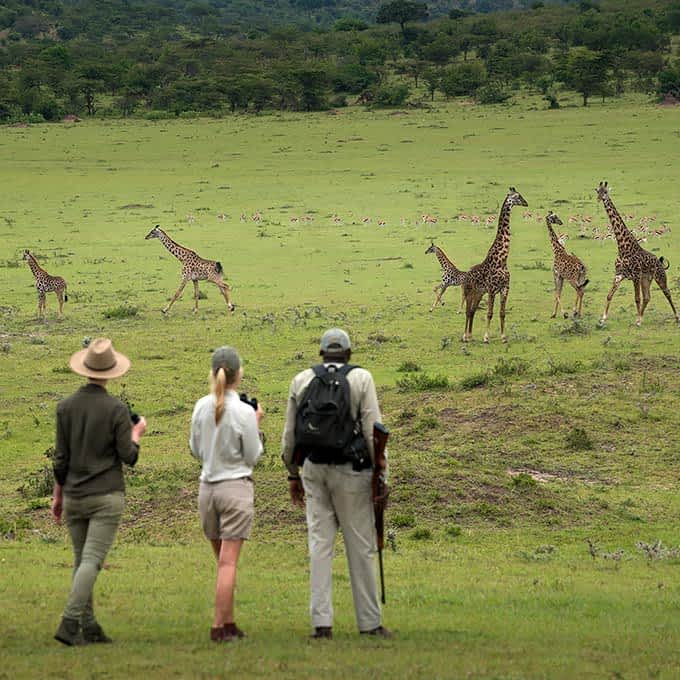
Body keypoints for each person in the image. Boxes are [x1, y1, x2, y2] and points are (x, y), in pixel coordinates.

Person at [281, 328, 391, 639]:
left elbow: (289, 436)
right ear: (348, 353)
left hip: (314, 469)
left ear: (321, 354)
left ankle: (321, 624)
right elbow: (374, 429)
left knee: (319, 545)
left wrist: (292, 473)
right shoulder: (361, 379)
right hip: (352, 472)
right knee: (360, 546)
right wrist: (381, 475)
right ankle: (369, 623)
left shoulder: (302, 380)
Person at [52, 337, 147, 646]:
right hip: (105, 496)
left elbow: (61, 459)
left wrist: (57, 495)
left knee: (82, 562)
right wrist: (137, 433)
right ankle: (69, 623)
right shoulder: (117, 409)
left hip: (74, 496)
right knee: (92, 561)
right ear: (111, 371)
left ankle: (89, 626)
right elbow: (128, 456)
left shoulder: (65, 408)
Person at [190, 346, 264, 642]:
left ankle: (229, 622)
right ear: (239, 374)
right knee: (228, 562)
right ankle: (218, 627)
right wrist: (255, 424)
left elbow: (196, 450)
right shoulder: (244, 411)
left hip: (207, 490)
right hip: (235, 489)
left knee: (222, 562)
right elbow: (254, 456)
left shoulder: (200, 406)